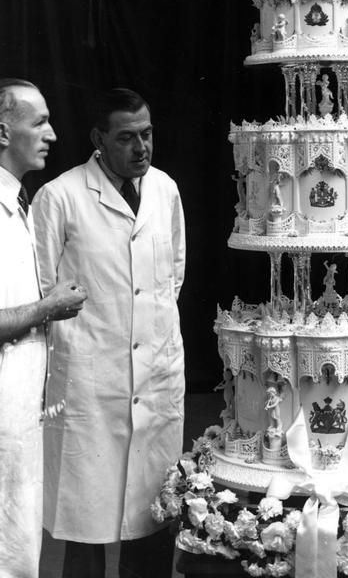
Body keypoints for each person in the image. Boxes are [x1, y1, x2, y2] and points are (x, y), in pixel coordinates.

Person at [33, 87, 186, 578]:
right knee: (85, 523)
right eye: (126, 138)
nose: (141, 147)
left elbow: (172, 277)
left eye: (147, 134)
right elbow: (39, 289)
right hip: (90, 385)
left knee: (153, 519)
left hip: (156, 378)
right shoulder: (59, 197)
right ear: (99, 138)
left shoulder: (164, 190)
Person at [0, 78, 86, 578]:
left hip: (21, 402)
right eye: (39, 122)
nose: (52, 133)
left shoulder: (19, 202)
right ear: (3, 132)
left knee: (18, 537)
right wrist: (47, 307)